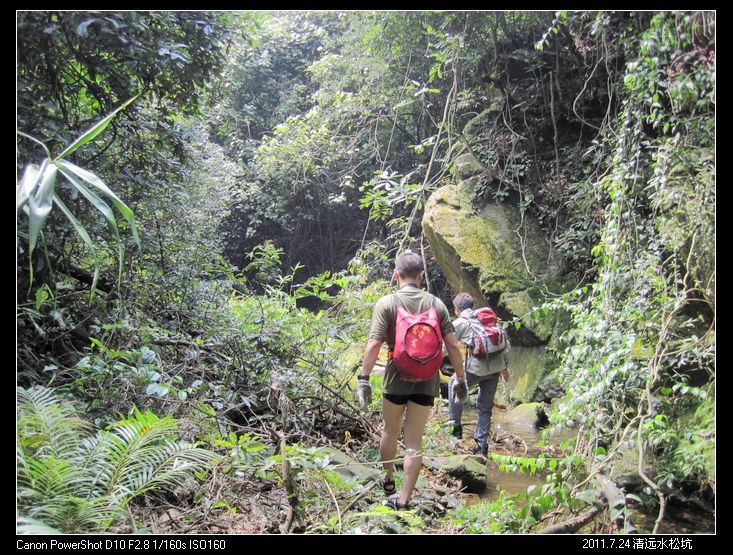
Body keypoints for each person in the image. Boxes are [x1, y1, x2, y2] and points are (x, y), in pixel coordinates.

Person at [356, 250, 466, 510]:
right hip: (427, 380)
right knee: (414, 441)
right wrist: (460, 378)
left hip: (396, 377)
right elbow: (452, 345)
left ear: (396, 275)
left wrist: (364, 378)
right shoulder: (437, 304)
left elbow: (374, 344)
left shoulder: (387, 303)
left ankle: (388, 481)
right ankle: (404, 499)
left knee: (390, 431)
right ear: (421, 276)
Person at [447, 292, 510, 457]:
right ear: (472, 306)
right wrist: (505, 368)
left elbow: (446, 346)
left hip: (476, 368)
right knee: (485, 407)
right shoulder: (487, 320)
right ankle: (482, 446)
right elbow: (505, 345)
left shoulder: (461, 322)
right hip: (495, 368)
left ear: (457, 309)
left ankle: (455, 428)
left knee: (454, 383)